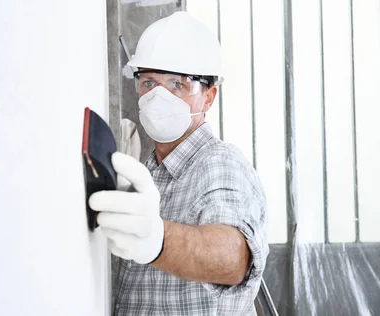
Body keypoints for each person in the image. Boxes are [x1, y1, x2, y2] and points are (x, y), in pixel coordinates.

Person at [89, 11, 269, 315]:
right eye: (148, 82)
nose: (158, 97)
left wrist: (157, 241)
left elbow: (233, 258)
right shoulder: (147, 173)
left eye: (176, 84)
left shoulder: (220, 164)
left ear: (208, 97)